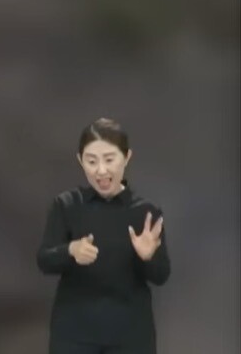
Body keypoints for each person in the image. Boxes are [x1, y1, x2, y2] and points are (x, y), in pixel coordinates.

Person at [36, 118, 170, 353]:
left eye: (109, 159)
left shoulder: (145, 212)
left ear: (126, 157)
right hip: (74, 333)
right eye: (91, 161)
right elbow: (44, 260)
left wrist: (148, 256)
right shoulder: (67, 205)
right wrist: (70, 250)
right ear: (80, 161)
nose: (101, 170)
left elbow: (161, 276)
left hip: (131, 335)